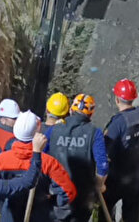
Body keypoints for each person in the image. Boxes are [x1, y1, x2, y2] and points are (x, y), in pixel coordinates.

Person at [0, 111, 77, 222]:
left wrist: (0, 201)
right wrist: (51, 205)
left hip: (9, 212)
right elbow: (68, 192)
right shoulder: (48, 163)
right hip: (39, 212)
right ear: (38, 132)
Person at [48, 94, 109, 222]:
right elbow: (103, 165)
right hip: (83, 195)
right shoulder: (95, 133)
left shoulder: (54, 129)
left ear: (71, 110)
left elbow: (40, 153)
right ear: (91, 114)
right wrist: (98, 185)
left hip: (57, 192)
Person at [104, 80, 139, 222]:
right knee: (131, 212)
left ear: (117, 99)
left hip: (119, 175)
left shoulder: (118, 122)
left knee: (105, 208)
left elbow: (106, 150)